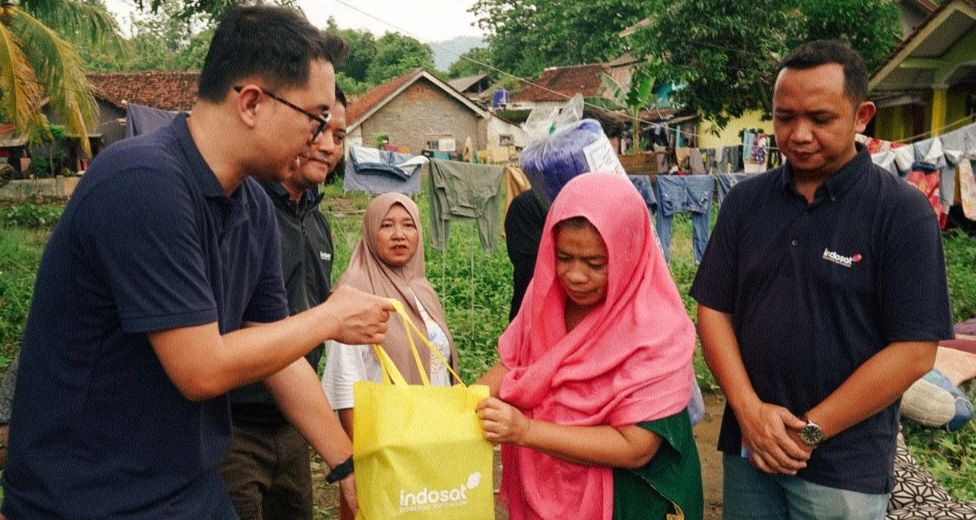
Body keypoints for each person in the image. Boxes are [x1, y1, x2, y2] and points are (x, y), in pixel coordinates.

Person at [1, 7, 393, 520]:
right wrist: (329, 317)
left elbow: (281, 354)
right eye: (316, 118)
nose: (322, 139)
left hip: (187, 488)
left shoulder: (251, 206)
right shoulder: (143, 182)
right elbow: (201, 369)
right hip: (87, 496)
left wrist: (347, 467)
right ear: (252, 102)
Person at [690, 40, 954, 520]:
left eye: (820, 118)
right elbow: (713, 310)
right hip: (751, 449)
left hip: (844, 467)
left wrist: (809, 430)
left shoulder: (900, 212)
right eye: (784, 117)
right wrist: (749, 411)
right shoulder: (746, 204)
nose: (799, 134)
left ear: (861, 115)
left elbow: (915, 350)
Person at [478, 172, 703, 520]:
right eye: (564, 257)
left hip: (631, 499)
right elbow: (512, 365)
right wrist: (457, 407)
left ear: (629, 254)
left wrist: (525, 431)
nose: (576, 276)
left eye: (595, 263)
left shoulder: (656, 328)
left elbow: (636, 448)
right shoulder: (546, 295)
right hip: (548, 486)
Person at [219, 85, 348, 520]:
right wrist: (330, 319)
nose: (328, 147)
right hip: (235, 427)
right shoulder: (245, 213)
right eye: (319, 130)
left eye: (341, 137)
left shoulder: (317, 223)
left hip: (293, 422)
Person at [321, 192, 459, 520]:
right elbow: (346, 387)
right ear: (370, 233)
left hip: (428, 440)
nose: (399, 234)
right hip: (382, 444)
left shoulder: (422, 289)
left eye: (408, 225)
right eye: (387, 225)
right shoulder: (353, 292)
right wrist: (364, 458)